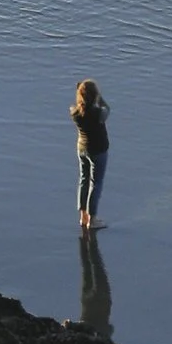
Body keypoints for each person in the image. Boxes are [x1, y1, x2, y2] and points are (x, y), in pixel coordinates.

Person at [71, 76, 110, 230]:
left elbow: (83, 105)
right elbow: (108, 109)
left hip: (82, 149)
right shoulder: (98, 113)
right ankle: (92, 219)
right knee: (96, 183)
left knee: (84, 180)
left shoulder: (76, 113)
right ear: (94, 96)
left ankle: (83, 217)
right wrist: (100, 98)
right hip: (98, 150)